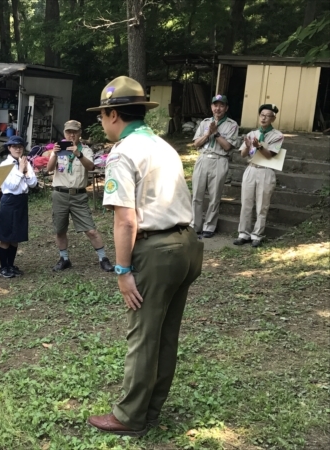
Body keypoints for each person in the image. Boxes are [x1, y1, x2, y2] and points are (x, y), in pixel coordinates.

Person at [85, 76, 203, 437]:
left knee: (143, 335)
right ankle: (151, 408)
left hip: (156, 251)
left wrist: (122, 271)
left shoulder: (123, 152)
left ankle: (130, 417)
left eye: (102, 115)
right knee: (166, 333)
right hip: (186, 245)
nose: (102, 122)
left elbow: (125, 219)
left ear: (113, 114)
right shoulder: (161, 145)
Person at [47, 120, 113, 272]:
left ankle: (103, 258)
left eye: (75, 132)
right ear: (64, 133)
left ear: (79, 134)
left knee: (90, 230)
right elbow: (49, 169)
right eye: (69, 132)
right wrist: (55, 155)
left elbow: (90, 167)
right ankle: (64, 259)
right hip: (60, 194)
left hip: (78, 195)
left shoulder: (86, 150)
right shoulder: (58, 149)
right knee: (60, 230)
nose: (71, 135)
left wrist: (78, 153)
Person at [234, 104, 284, 248]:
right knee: (246, 202)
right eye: (262, 114)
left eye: (268, 115)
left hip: (266, 170)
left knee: (262, 204)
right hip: (251, 169)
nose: (264, 118)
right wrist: (249, 146)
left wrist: (259, 146)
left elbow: (270, 155)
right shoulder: (252, 134)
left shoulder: (277, 135)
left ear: (273, 118)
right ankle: (243, 233)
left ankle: (257, 235)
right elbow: (243, 154)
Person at [191, 95, 239, 238]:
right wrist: (207, 134)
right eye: (215, 105)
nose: (217, 108)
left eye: (221, 105)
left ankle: (209, 227)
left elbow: (227, 146)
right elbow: (196, 143)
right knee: (196, 195)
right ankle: (195, 225)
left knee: (215, 195)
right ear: (211, 107)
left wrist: (216, 133)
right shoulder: (205, 122)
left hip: (219, 160)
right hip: (203, 158)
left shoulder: (232, 125)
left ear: (226, 108)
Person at [0, 136, 37, 278]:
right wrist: (20, 170)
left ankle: (11, 265)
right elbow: (11, 185)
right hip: (9, 200)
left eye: (20, 146)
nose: (18, 149)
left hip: (22, 200)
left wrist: (25, 171)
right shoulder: (5, 165)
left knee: (16, 235)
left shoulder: (26, 162)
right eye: (14, 146)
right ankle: (3, 267)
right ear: (9, 148)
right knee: (5, 235)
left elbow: (33, 183)